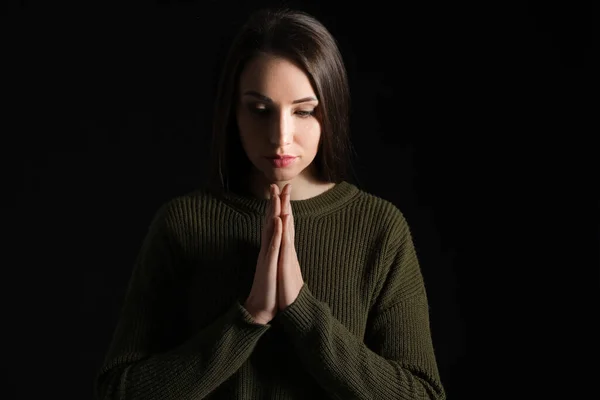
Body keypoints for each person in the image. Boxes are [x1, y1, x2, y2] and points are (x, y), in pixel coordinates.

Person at [94, 7, 446, 400]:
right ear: (234, 114)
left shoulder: (380, 228)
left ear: (332, 111)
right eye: (260, 110)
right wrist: (248, 319)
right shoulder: (183, 224)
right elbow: (115, 392)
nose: (281, 137)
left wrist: (301, 310)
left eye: (304, 111)